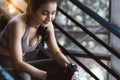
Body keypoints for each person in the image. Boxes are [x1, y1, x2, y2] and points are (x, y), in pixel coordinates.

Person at [0, 0, 80, 80]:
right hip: (4, 65)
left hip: (22, 62)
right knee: (25, 78)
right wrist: (48, 76)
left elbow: (56, 52)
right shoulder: (17, 24)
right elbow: (17, 64)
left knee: (62, 66)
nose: (49, 18)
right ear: (31, 9)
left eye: (53, 13)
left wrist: (71, 67)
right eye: (44, 13)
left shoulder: (47, 24)